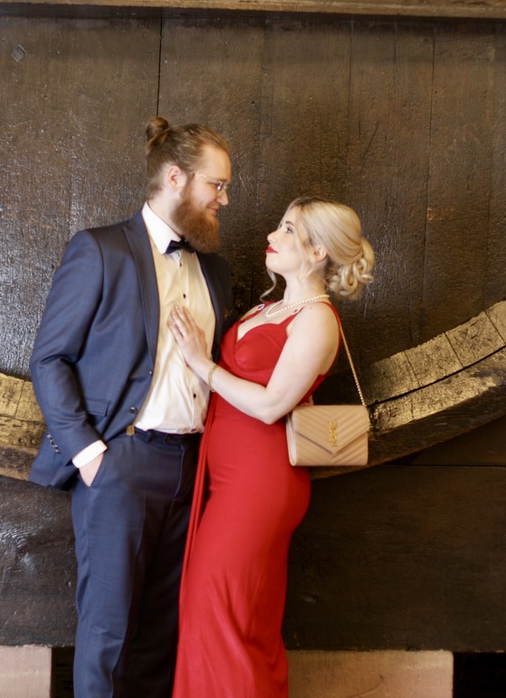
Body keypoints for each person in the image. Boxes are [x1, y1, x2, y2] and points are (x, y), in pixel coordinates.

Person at [27, 117, 234, 698]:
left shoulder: (216, 270)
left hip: (193, 469)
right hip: (122, 463)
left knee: (164, 635)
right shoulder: (100, 250)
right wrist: (91, 456)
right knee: (109, 633)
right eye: (217, 184)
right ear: (176, 178)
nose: (224, 199)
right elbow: (49, 359)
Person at [167, 197, 376, 697]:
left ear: (318, 251)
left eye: (287, 229)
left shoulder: (317, 319)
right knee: (217, 618)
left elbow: (269, 406)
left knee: (223, 621)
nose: (272, 235)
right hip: (227, 479)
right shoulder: (270, 306)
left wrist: (202, 364)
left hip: (259, 486)